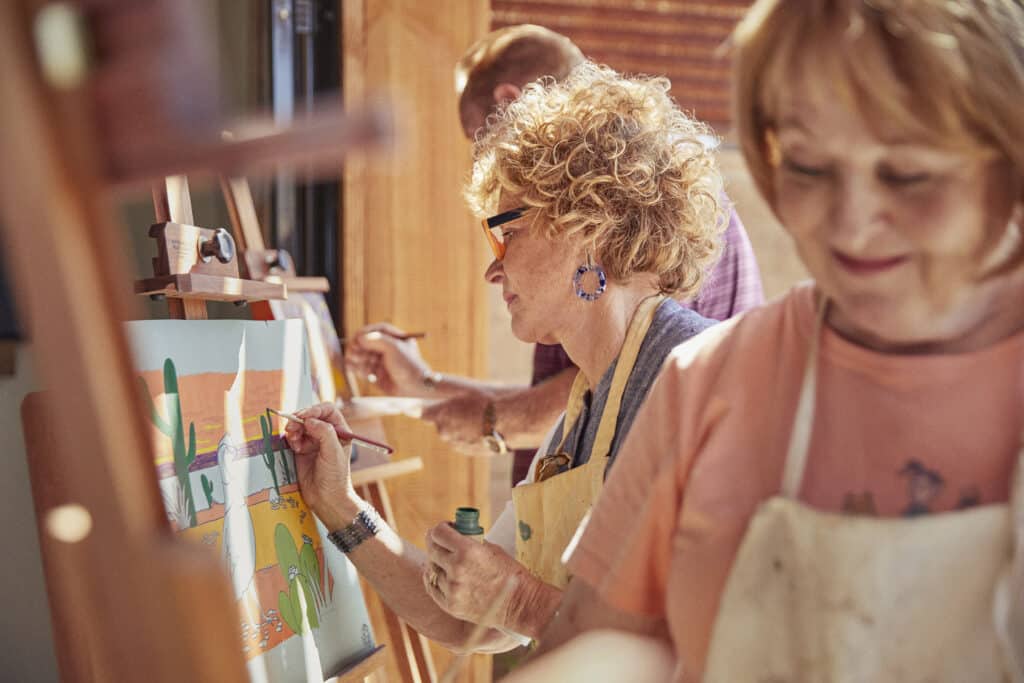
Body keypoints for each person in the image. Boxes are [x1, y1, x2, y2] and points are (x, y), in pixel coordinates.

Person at [536, 1, 1024, 681]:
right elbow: (611, 641)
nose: (851, 226)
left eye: (910, 172)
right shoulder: (708, 381)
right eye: (806, 166)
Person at [286, 62, 725, 652]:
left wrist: (521, 599)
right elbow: (468, 624)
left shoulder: (700, 379)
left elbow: (707, 642)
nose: (494, 267)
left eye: (506, 232)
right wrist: (339, 506)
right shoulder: (581, 413)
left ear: (587, 225)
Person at [346, 24, 764, 486]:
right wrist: (426, 386)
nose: (494, 268)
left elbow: (612, 398)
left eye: (511, 230)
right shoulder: (610, 313)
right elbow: (592, 391)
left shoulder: (668, 338)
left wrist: (491, 422)